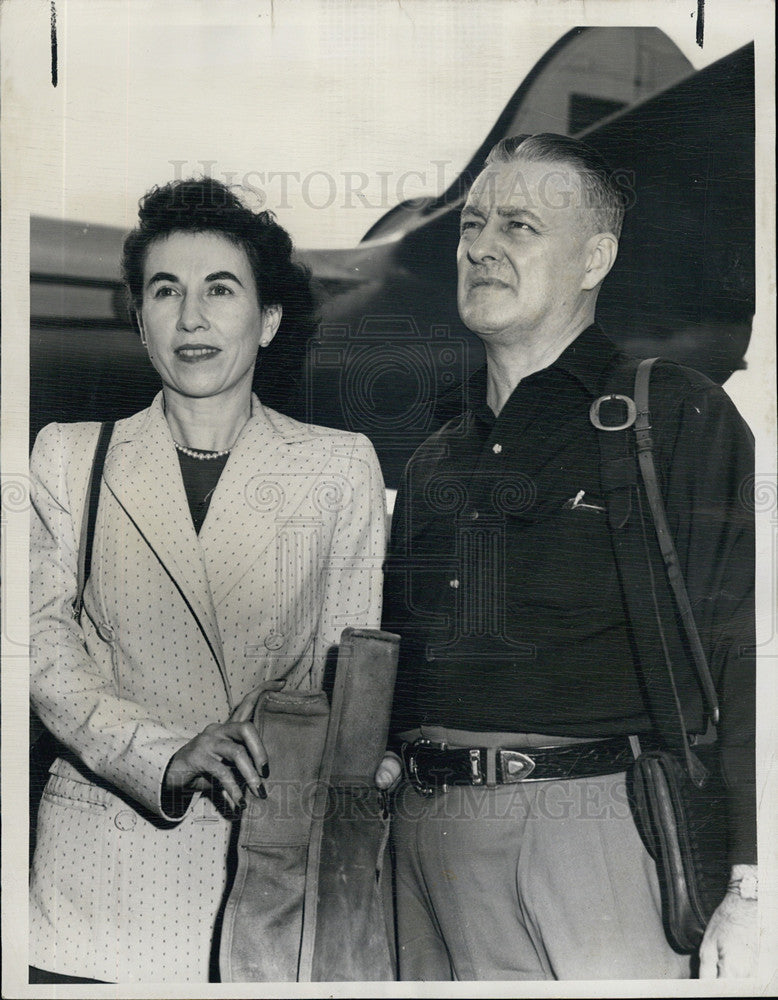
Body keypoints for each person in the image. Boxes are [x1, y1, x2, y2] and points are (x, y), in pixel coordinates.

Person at [377, 134, 756, 980]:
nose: (480, 246)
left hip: (594, 837)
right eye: (473, 224)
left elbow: (749, 654)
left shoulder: (671, 416)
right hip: (421, 843)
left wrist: (754, 879)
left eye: (518, 226)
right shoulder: (435, 455)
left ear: (595, 258)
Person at [28, 178, 386, 983]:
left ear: (267, 321)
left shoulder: (339, 468)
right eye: (167, 290)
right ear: (141, 319)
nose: (192, 317)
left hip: (263, 887)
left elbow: (345, 677)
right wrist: (164, 754)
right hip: (96, 891)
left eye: (220, 290)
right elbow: (41, 657)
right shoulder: (67, 455)